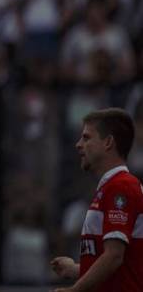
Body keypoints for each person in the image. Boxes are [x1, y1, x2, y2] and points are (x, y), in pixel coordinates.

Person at [50, 108, 143, 292]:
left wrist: (74, 291)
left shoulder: (121, 187)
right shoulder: (112, 187)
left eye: (86, 138)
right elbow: (119, 264)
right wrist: (76, 269)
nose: (78, 145)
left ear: (108, 142)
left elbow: (114, 256)